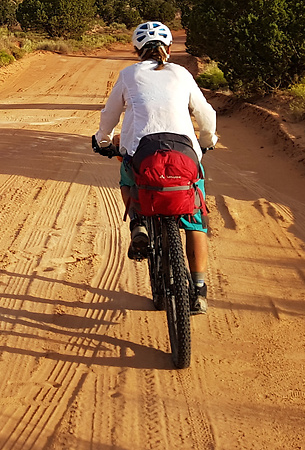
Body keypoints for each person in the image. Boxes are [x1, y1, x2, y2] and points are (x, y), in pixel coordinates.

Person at [92, 21, 217, 314]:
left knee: (127, 175)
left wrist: (104, 141)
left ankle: (138, 223)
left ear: (136, 51)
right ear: (170, 49)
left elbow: (109, 115)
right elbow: (206, 115)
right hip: (184, 153)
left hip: (142, 152)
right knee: (196, 221)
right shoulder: (182, 73)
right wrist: (207, 141)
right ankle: (198, 291)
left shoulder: (128, 74)